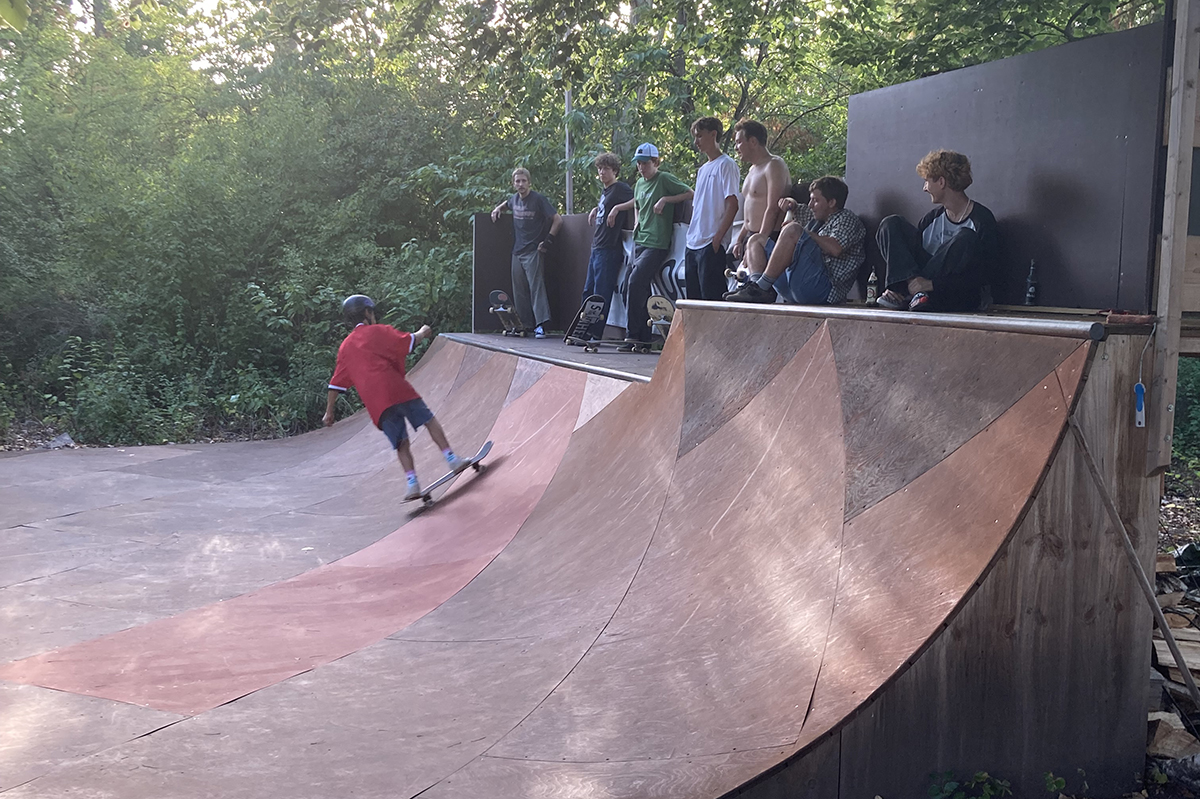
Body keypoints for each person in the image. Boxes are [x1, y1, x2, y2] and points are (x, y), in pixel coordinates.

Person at [323, 295, 470, 501]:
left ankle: (412, 483)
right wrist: (423, 332)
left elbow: (335, 384)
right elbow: (407, 342)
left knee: (400, 442)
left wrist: (329, 412)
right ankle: (452, 459)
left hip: (377, 404)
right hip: (397, 390)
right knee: (428, 420)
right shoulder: (378, 331)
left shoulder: (345, 348)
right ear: (367, 313)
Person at [875, 150, 998, 312]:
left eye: (927, 181)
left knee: (965, 237)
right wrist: (912, 280)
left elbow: (983, 276)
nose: (924, 188)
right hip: (920, 294)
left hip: (954, 295)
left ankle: (913, 294)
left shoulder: (982, 220)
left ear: (941, 182)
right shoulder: (931, 219)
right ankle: (905, 292)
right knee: (891, 223)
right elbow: (911, 261)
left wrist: (931, 284)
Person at [724, 176, 866, 305]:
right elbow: (795, 207)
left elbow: (836, 249)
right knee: (756, 239)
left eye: (815, 201)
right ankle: (757, 289)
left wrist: (805, 233)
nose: (810, 204)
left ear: (832, 202)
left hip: (823, 290)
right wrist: (789, 203)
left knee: (793, 229)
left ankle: (761, 286)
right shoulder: (815, 217)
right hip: (795, 286)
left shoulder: (846, 219)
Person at [606, 143, 693, 349]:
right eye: (638, 164)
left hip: (657, 242)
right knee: (628, 283)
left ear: (655, 162)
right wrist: (636, 222)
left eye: (645, 163)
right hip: (640, 240)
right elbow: (637, 204)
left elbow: (690, 193)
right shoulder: (639, 184)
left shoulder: (664, 179)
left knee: (636, 281)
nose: (641, 168)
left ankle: (633, 334)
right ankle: (642, 335)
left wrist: (665, 200)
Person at [490, 168, 563, 337]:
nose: (521, 184)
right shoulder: (514, 200)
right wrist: (497, 209)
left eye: (523, 181)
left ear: (529, 182)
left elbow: (558, 219)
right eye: (517, 181)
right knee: (519, 290)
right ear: (513, 183)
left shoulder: (538, 199)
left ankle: (541, 324)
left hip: (533, 250)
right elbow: (506, 204)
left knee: (536, 288)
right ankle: (524, 324)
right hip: (517, 251)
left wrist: (548, 240)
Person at [578, 152, 634, 342]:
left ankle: (595, 332)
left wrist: (618, 209)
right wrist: (596, 208)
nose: (602, 172)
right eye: (600, 169)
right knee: (588, 290)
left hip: (610, 247)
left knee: (601, 291)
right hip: (597, 246)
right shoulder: (605, 192)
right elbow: (606, 206)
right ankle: (582, 328)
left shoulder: (620, 188)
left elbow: (639, 199)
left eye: (606, 169)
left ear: (615, 171)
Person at [685, 117, 741, 301]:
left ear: (713, 134)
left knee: (711, 298)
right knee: (694, 300)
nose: (696, 142)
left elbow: (732, 203)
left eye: (700, 136)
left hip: (710, 242)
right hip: (693, 242)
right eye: (695, 137)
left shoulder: (727, 164)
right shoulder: (701, 170)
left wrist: (717, 239)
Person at [730, 120, 791, 279]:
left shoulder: (774, 165)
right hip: (750, 236)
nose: (736, 148)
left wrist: (759, 242)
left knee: (760, 288)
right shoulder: (751, 170)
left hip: (768, 237)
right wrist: (740, 238)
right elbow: (751, 209)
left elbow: (772, 209)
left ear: (753, 141)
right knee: (746, 285)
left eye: (738, 142)